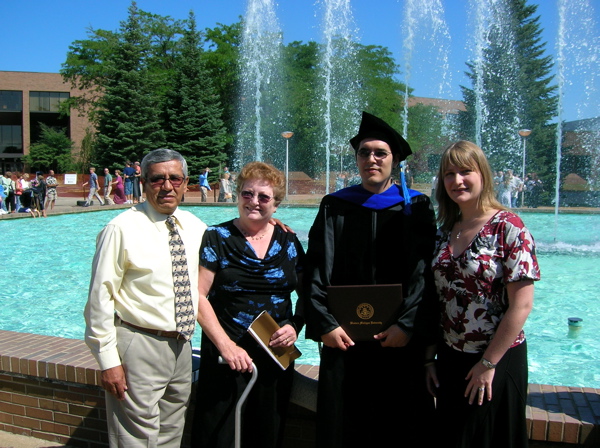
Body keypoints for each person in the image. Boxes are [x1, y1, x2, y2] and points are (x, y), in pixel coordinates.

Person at [304, 111, 438, 448]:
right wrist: (325, 323)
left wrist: (407, 325)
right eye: (365, 152)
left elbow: (425, 274)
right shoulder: (334, 206)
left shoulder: (417, 207)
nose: (372, 159)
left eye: (380, 153)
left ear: (395, 160)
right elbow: (316, 267)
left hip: (398, 342)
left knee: (399, 425)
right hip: (344, 339)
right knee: (343, 424)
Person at [84, 148, 207, 448]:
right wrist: (108, 360)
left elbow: (231, 248)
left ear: (186, 182)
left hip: (181, 347)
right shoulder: (121, 229)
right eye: (157, 179)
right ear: (143, 182)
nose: (167, 186)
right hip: (139, 345)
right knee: (135, 440)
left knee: (170, 434)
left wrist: (267, 225)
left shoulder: (194, 226)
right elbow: (100, 298)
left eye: (175, 178)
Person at [426, 140, 540, 448]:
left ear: (483, 175)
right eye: (449, 174)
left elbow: (522, 305)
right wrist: (429, 359)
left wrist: (488, 364)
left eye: (466, 171)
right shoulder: (445, 230)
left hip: (497, 359)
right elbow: (436, 301)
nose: (457, 180)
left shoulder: (509, 227)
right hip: (451, 358)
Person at [192, 162, 305, 448]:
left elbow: (308, 294)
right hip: (227, 352)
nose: (254, 201)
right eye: (247, 194)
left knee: (268, 429)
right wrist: (226, 346)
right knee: (220, 430)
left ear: (276, 204)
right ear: (237, 196)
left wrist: (295, 326)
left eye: (264, 197)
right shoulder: (217, 237)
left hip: (275, 350)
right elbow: (199, 296)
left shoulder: (290, 241)